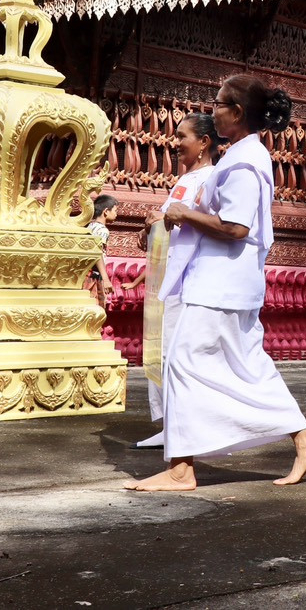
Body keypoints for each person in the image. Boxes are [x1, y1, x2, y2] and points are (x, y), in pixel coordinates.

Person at [125, 74, 306, 491]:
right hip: (228, 281)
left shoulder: (243, 161)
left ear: (236, 113)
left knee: (181, 362)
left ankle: (181, 471)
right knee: (248, 366)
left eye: (219, 104)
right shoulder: (245, 155)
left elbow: (236, 227)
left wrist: (183, 213)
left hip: (220, 283)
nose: (213, 110)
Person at [117, 113, 219, 449]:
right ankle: (169, 424)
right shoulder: (183, 181)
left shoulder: (212, 178)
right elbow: (170, 222)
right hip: (167, 279)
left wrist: (165, 218)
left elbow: (205, 222)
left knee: (177, 353)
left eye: (181, 137)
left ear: (204, 142)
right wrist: (150, 225)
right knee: (160, 351)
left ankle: (185, 426)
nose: (174, 144)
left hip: (186, 279)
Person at [86, 194, 122, 307]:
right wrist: (106, 279)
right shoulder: (102, 230)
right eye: (115, 210)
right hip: (94, 276)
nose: (116, 214)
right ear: (106, 211)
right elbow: (97, 253)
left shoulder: (89, 226)